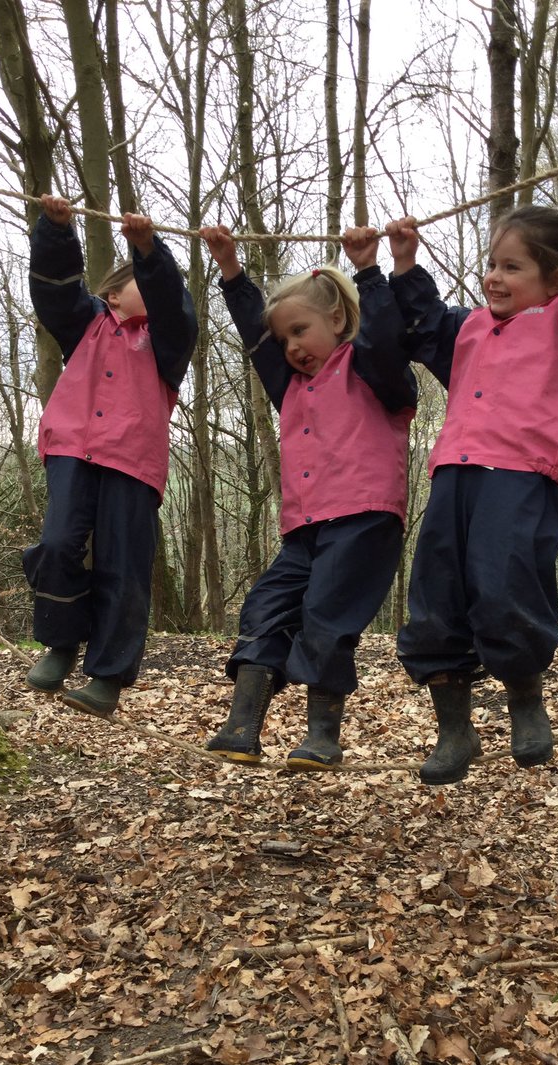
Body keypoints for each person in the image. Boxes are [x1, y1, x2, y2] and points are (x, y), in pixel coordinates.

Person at [386, 144, 558, 784]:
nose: (494, 277)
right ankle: (454, 726)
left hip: (528, 475)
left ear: (555, 279)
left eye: (512, 267)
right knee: (435, 597)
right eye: (490, 264)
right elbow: (424, 321)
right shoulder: (470, 330)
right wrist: (403, 264)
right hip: (455, 473)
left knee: (505, 582)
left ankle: (524, 696)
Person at [198, 223, 417, 769]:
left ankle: (323, 735)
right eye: (285, 340)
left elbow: (387, 337)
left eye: (301, 331)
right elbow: (257, 339)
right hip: (304, 526)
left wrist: (370, 271)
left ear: (338, 320)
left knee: (325, 616)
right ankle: (242, 726)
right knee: (265, 608)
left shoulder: (373, 370)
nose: (292, 347)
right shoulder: (290, 386)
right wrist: (230, 271)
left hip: (364, 518)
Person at [23, 195, 198, 715]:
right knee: (57, 544)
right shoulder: (86, 322)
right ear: (113, 294)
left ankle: (108, 677)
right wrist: (57, 231)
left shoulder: (166, 343)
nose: (155, 290)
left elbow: (174, 307)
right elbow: (52, 291)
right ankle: (60, 642)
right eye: (138, 278)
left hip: (133, 460)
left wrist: (149, 250)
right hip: (73, 447)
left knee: (125, 566)